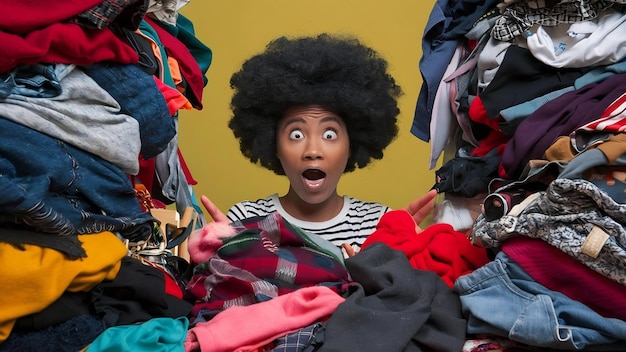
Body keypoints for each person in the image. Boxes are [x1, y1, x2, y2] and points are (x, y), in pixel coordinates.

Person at [200, 33, 437, 256]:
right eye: (296, 135)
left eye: (330, 135)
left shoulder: (378, 224)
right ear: (273, 145)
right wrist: (226, 257)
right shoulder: (247, 219)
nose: (313, 151)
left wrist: (398, 261)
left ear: (352, 145)